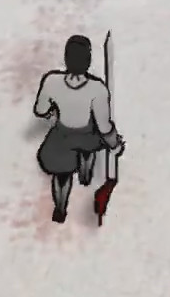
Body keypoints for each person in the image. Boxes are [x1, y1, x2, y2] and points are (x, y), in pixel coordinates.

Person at [32, 35, 125, 224]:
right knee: (89, 144)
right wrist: (115, 145)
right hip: (87, 135)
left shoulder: (51, 81)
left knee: (61, 175)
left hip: (62, 136)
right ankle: (85, 173)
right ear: (88, 60)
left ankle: (60, 208)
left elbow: (40, 110)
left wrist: (53, 113)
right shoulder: (97, 89)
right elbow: (104, 127)